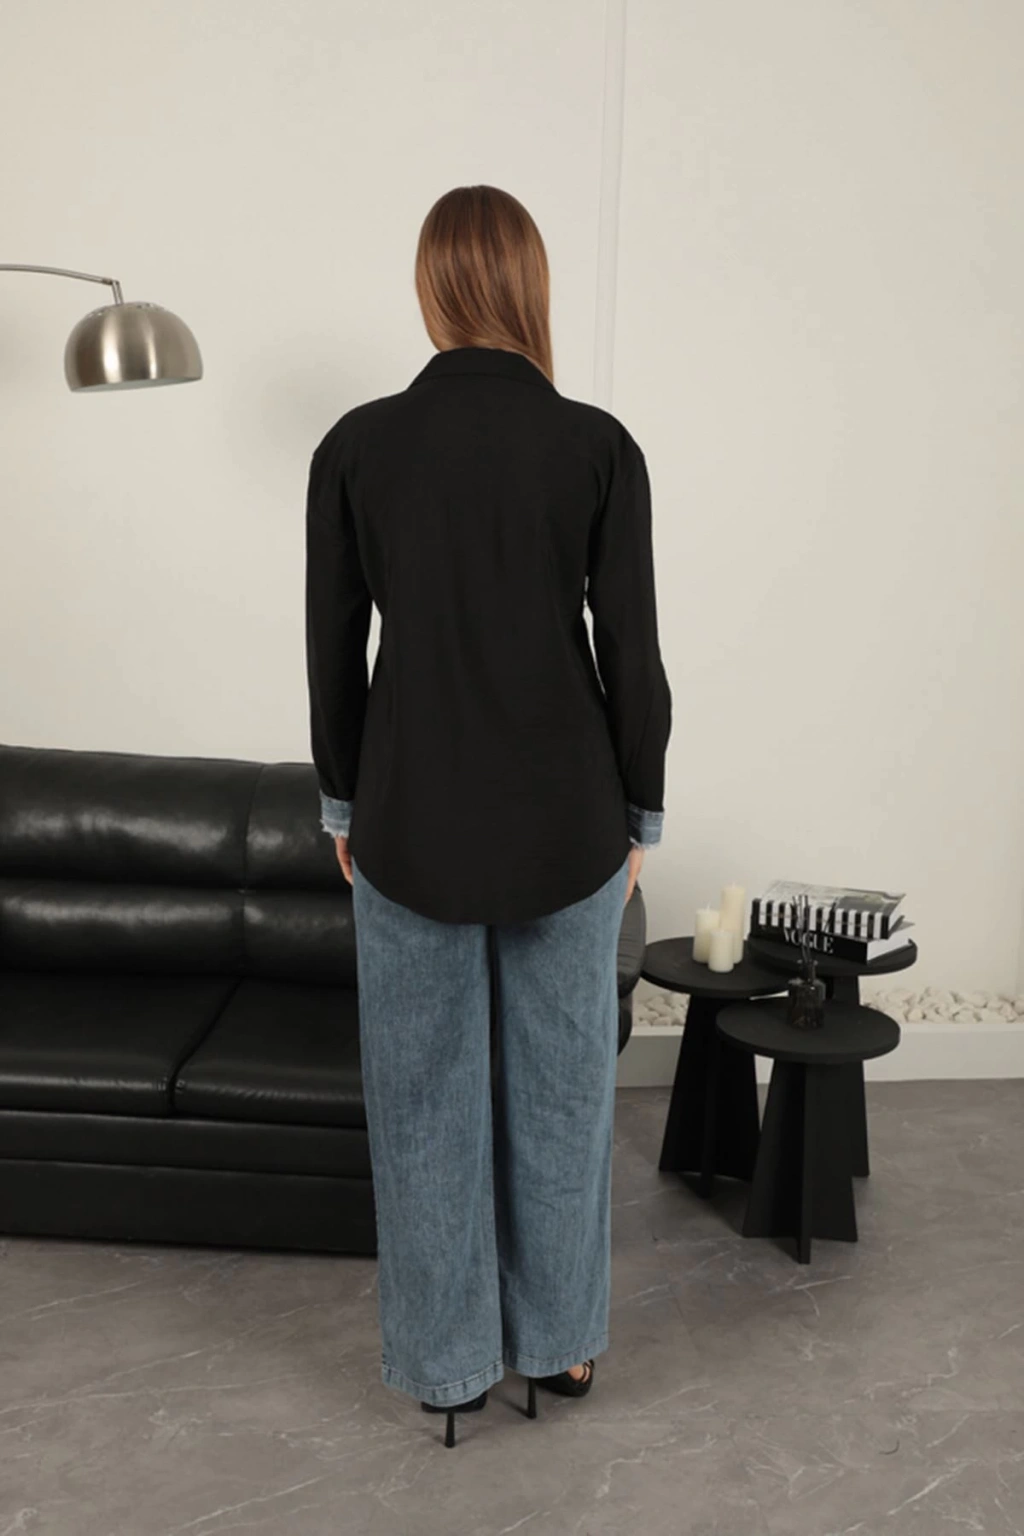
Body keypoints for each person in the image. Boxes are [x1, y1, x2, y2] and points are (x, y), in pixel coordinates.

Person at [304, 184, 672, 1447]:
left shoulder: (356, 446)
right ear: (528, 284)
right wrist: (641, 816)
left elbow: (333, 652)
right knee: (563, 1098)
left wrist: (344, 803)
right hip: (570, 820)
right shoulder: (596, 445)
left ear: (432, 286)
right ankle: (558, 1349)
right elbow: (632, 653)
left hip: (408, 818)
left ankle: (447, 1366)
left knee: (422, 1103)